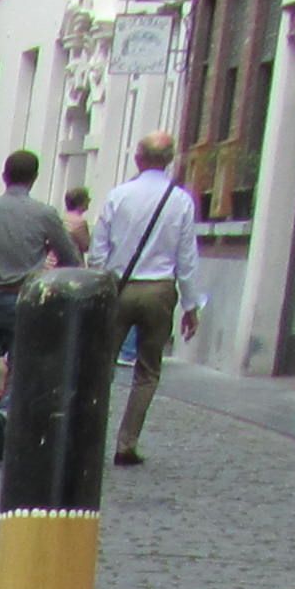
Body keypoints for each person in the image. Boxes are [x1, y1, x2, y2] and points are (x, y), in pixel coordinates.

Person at [0, 149, 75, 460]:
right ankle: (5, 413)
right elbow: (70, 256)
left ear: (5, 176)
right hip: (25, 298)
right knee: (22, 364)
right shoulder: (45, 214)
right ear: (34, 178)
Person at [90, 132, 203, 467]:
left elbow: (99, 249)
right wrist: (191, 305)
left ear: (138, 158)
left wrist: (100, 285)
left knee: (100, 366)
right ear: (169, 160)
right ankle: (127, 442)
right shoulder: (180, 200)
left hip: (119, 288)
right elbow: (187, 256)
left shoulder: (118, 196)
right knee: (148, 370)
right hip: (159, 290)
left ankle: (90, 436)